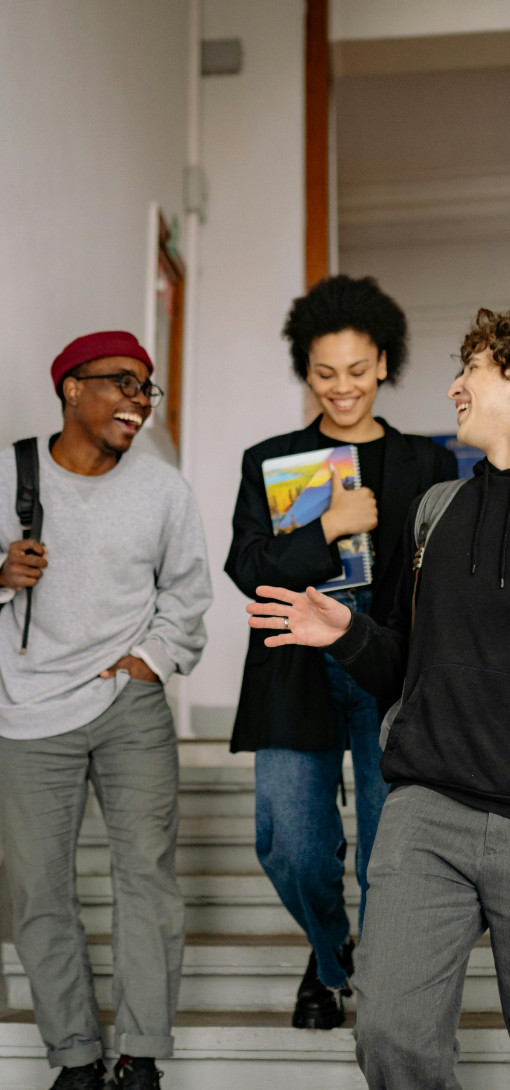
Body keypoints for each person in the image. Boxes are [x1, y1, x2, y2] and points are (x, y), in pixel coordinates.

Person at [245, 306, 510, 1089]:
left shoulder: (419, 468)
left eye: (475, 369)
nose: (455, 385)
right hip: (428, 802)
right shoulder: (441, 509)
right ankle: (335, 959)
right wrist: (342, 631)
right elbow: (405, 652)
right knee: (390, 1036)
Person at [224, 274, 457, 1029]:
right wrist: (325, 526)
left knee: (387, 854)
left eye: (357, 371)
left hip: (390, 670)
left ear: (384, 364)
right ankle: (332, 956)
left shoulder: (428, 462)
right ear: (307, 371)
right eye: (325, 373)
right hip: (296, 663)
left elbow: (439, 580)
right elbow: (249, 570)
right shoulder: (271, 459)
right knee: (289, 845)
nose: (342, 388)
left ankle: (377, 983)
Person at [0, 331, 212, 1090]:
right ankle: (76, 1059)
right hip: (27, 714)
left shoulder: (162, 490)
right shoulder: (9, 474)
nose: (137, 401)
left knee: (145, 878)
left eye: (146, 389)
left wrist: (150, 661)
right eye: (121, 382)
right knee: (36, 890)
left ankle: (141, 1053)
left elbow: (189, 593)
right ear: (70, 388)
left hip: (128, 703)